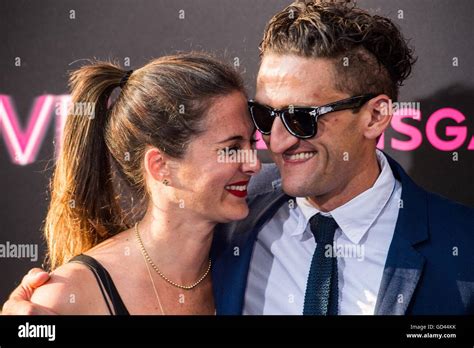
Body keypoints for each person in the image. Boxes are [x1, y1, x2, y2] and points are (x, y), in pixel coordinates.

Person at [4, 1, 474, 316]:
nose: (275, 142)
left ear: (375, 117)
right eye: (265, 114)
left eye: (304, 118)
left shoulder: (463, 248)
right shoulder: (227, 211)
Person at [2, 53, 261, 315]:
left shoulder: (254, 260)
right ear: (160, 166)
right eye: (231, 149)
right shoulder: (67, 297)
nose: (254, 164)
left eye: (252, 143)